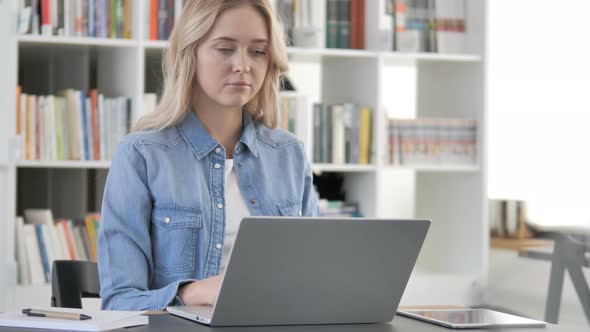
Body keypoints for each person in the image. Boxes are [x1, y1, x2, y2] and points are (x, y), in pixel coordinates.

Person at [97, 0, 319, 311]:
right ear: (191, 53)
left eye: (258, 51)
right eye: (225, 49)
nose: (243, 65)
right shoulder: (142, 155)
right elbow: (120, 301)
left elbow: (314, 280)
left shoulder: (289, 154)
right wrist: (191, 293)